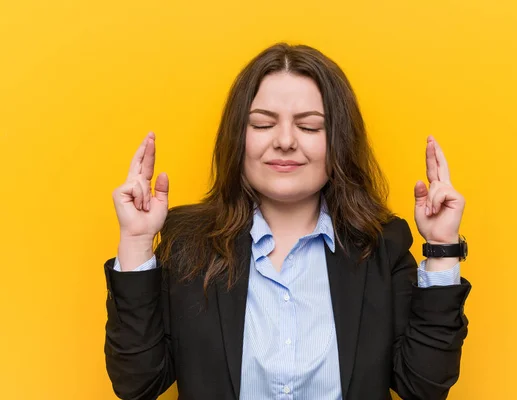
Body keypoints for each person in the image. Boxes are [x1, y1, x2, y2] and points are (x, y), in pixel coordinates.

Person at [104, 43, 471, 400]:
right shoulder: (189, 242)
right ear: (238, 137)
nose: (284, 141)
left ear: (338, 141)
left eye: (309, 127)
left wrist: (442, 248)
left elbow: (423, 386)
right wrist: (137, 241)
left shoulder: (381, 244)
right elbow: (138, 384)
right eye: (263, 124)